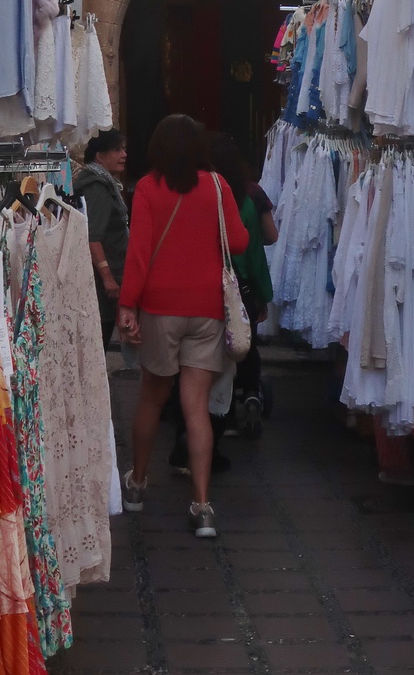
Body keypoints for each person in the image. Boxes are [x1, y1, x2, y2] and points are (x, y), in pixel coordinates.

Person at [116, 114, 248, 539]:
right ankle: (203, 505)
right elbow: (241, 241)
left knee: (153, 397)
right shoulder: (216, 185)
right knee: (196, 407)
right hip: (208, 307)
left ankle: (136, 484)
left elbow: (138, 252)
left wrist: (127, 305)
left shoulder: (149, 189)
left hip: (160, 306)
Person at [207, 133, 276, 438]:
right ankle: (250, 393)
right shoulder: (253, 194)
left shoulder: (205, 192)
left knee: (212, 348)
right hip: (244, 286)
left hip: (210, 284)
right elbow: (269, 238)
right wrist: (263, 296)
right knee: (246, 345)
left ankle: (220, 410)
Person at [73, 129, 129, 350]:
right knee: (99, 341)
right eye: (117, 150)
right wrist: (108, 277)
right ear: (100, 155)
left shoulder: (103, 183)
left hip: (105, 278)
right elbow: (93, 236)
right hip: (101, 283)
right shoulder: (97, 187)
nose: (124, 154)